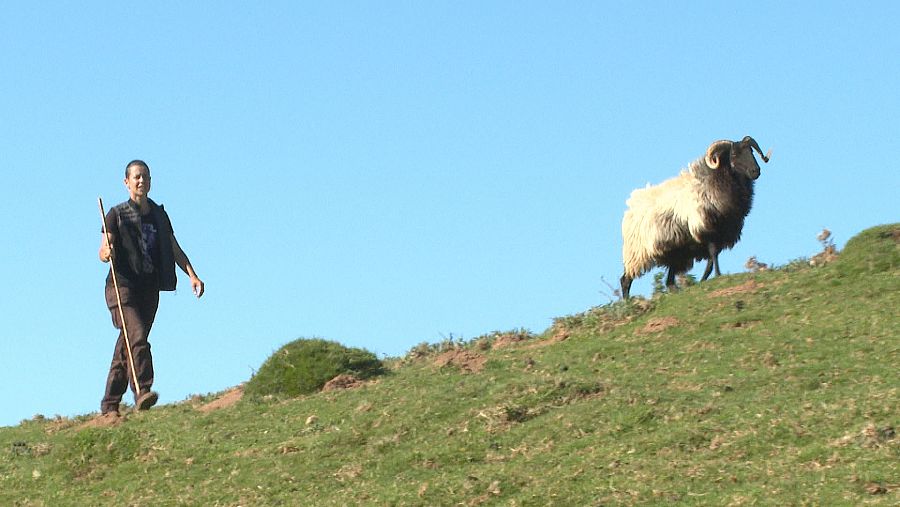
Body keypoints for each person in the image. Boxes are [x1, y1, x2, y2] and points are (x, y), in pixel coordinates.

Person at [98, 160, 204, 416]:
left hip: (149, 288)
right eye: (136, 177)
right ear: (127, 182)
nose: (141, 181)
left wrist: (192, 275)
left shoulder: (158, 215)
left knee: (128, 345)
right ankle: (143, 390)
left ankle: (110, 405)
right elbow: (103, 249)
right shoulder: (116, 214)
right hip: (121, 286)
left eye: (145, 176)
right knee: (137, 337)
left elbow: (173, 247)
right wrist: (106, 253)